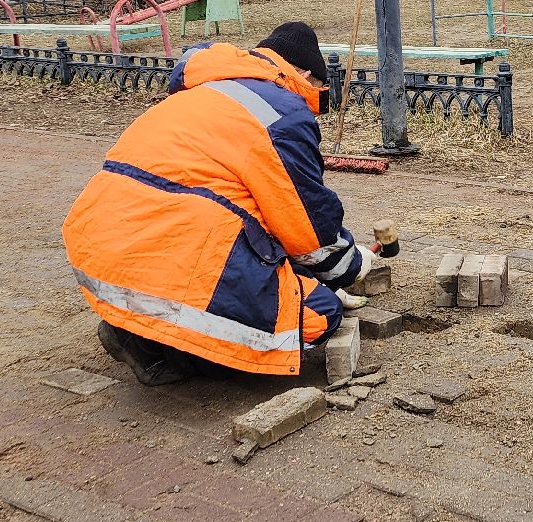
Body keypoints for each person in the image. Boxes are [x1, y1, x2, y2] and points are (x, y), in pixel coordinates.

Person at [62, 22, 374, 385]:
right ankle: (164, 351)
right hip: (173, 251)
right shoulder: (281, 113)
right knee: (318, 314)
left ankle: (138, 327)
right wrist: (350, 267)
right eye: (319, 86)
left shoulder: (208, 89)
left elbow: (253, 207)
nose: (318, 94)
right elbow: (306, 223)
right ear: (304, 72)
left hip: (101, 247)